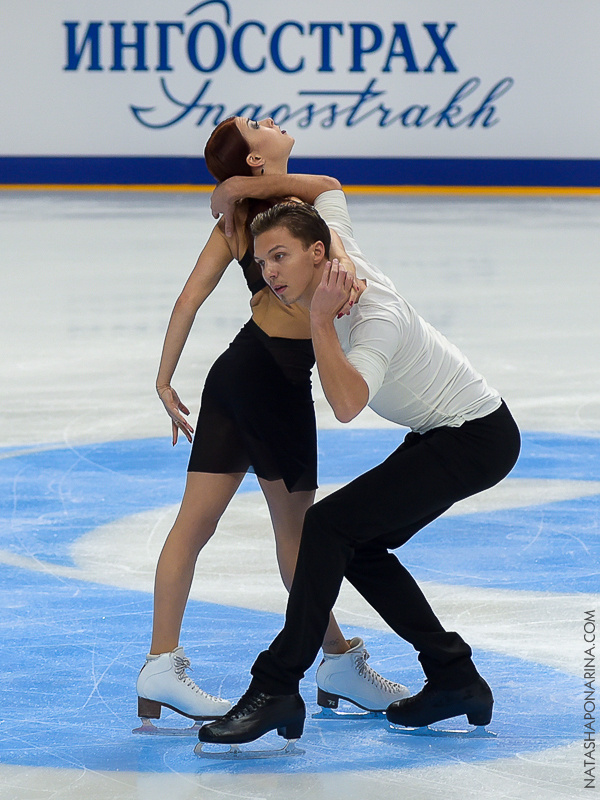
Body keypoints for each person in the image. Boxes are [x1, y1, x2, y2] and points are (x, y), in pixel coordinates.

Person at [197, 194, 521, 749]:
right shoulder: (337, 252)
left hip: (475, 437)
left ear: (318, 253)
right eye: (262, 259)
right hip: (445, 433)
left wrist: (321, 323)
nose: (267, 272)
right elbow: (328, 187)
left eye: (280, 256)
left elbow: (347, 404)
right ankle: (454, 676)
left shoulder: (376, 316)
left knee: (327, 527)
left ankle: (277, 686)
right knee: (358, 543)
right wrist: (232, 183)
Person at [135, 118, 410, 731]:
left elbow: (188, 299)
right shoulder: (290, 214)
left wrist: (164, 377)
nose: (273, 121)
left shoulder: (238, 221)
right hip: (274, 384)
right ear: (257, 159)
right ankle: (337, 660)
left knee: (195, 524)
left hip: (234, 374)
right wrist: (234, 186)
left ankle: (159, 663)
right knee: (299, 538)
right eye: (258, 125)